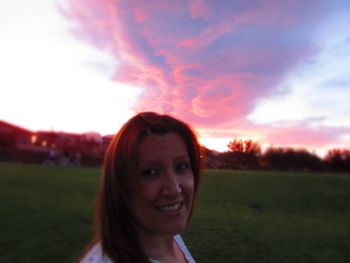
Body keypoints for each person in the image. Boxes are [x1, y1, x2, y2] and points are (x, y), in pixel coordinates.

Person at [79, 112, 203, 263]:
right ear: (120, 184)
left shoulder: (169, 238)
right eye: (150, 172)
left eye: (181, 166)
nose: (174, 189)